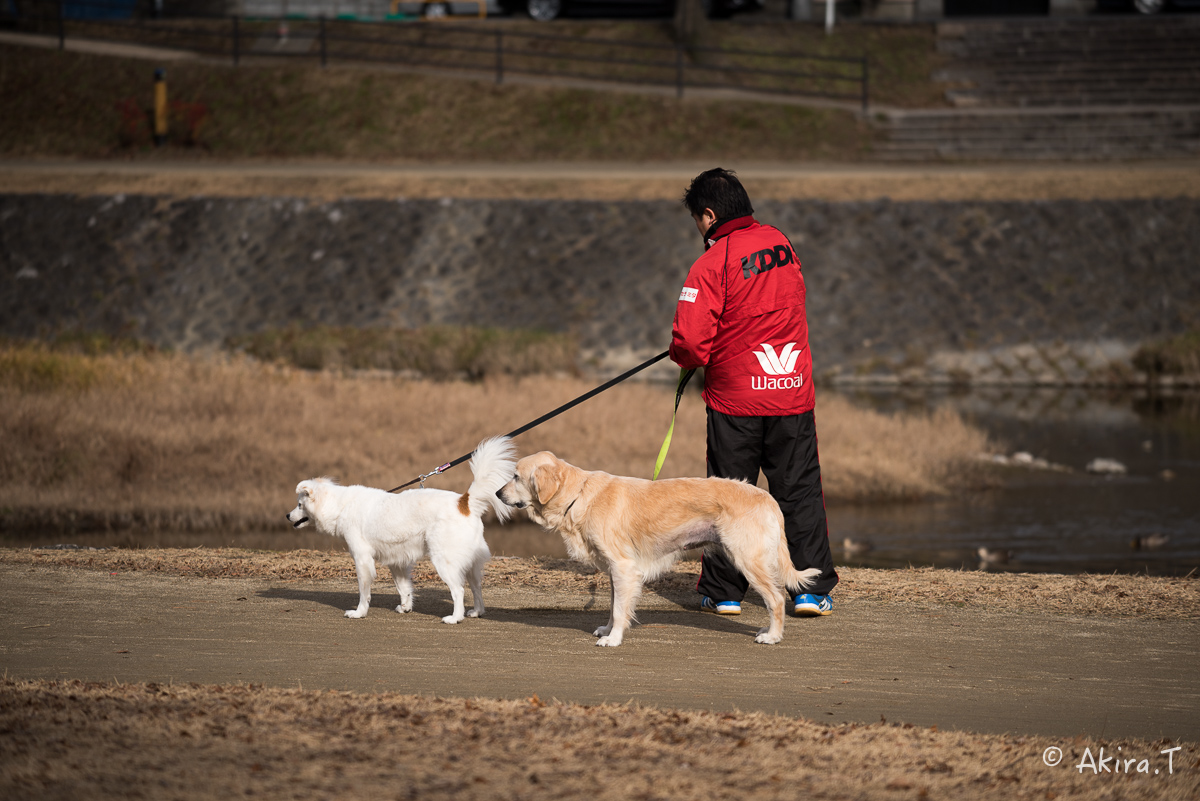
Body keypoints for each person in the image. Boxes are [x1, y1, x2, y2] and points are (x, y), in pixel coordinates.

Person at [668, 167, 838, 617]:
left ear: (708, 216)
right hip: (790, 391)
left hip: (736, 401)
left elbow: (689, 343)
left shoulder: (712, 261)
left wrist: (683, 356)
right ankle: (810, 589)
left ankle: (725, 592)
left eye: (698, 223)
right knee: (799, 490)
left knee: (727, 496)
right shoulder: (782, 242)